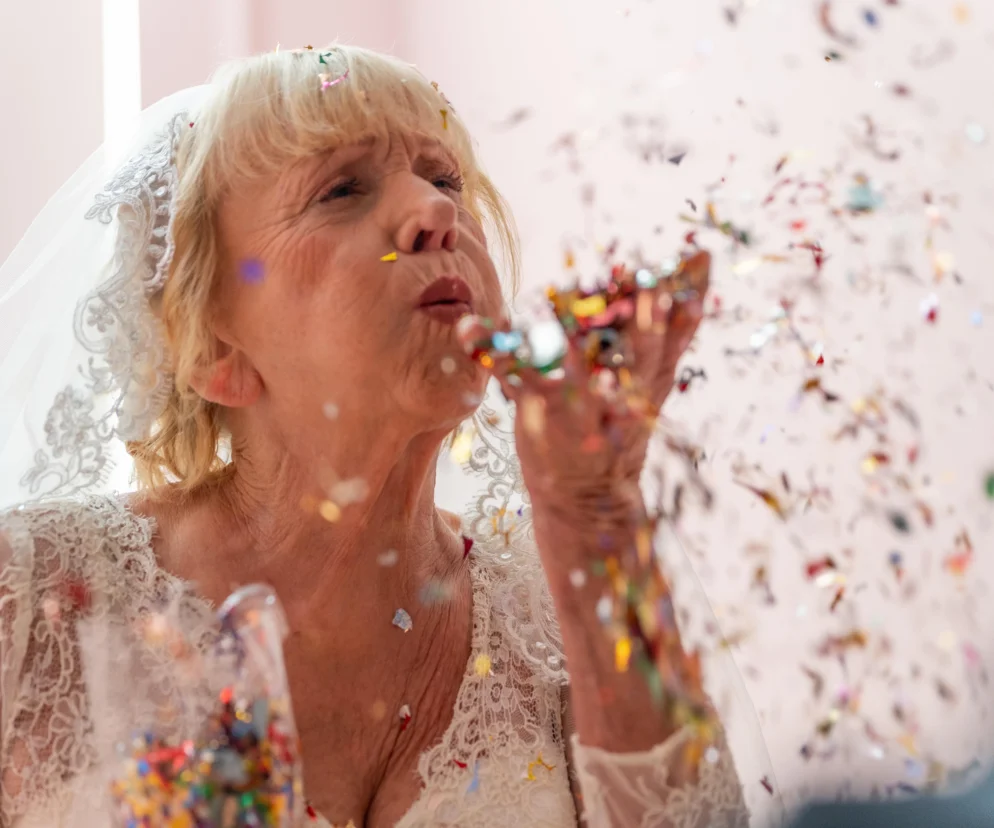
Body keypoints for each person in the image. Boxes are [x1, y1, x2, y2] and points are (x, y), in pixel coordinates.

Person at [0, 44, 770, 827]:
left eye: (445, 180)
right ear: (210, 347)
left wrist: (594, 513)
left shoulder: (563, 613)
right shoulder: (28, 602)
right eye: (340, 189)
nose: (436, 213)